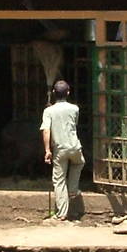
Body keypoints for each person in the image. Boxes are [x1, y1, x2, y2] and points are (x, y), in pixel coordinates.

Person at [40, 79, 84, 220]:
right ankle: (72, 190)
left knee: (59, 180)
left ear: (53, 92)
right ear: (68, 92)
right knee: (79, 163)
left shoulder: (48, 111)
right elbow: (73, 125)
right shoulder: (75, 108)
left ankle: (62, 214)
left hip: (60, 149)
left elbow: (46, 131)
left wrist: (47, 150)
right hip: (74, 147)